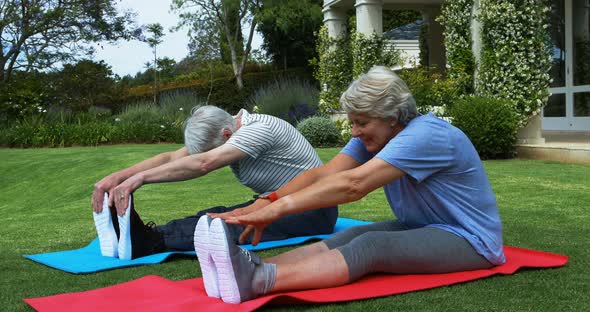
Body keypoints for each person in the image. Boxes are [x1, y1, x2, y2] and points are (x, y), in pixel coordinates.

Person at [197, 66, 506, 304]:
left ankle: (258, 281)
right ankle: (248, 267)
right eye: (353, 122)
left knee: (371, 246)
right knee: (354, 234)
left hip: (471, 240)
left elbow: (354, 185)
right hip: (424, 226)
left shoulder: (427, 135)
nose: (355, 131)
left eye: (362, 122)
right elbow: (323, 174)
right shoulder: (378, 135)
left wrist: (277, 210)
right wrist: (266, 201)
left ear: (392, 116)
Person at [91, 105, 338, 264]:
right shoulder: (227, 127)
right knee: (212, 215)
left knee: (219, 228)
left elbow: (204, 163)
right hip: (276, 201)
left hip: (312, 211)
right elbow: (173, 158)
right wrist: (120, 177)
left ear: (227, 136)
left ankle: (148, 243)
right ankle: (142, 235)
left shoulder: (259, 129)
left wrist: (141, 179)